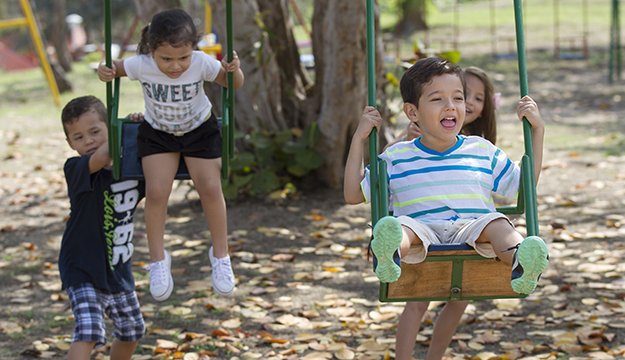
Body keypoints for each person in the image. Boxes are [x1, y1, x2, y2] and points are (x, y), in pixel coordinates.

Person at [343, 57, 549, 360]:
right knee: (400, 228)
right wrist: (359, 139)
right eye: (437, 99)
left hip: (471, 228)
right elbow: (352, 194)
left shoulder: (481, 150)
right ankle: (389, 254)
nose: (451, 106)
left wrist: (538, 132)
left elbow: (523, 187)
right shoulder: (396, 157)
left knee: (499, 223)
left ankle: (522, 260)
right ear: (412, 112)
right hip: (421, 229)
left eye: (458, 98)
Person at [98, 8, 244, 300]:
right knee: (156, 192)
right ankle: (157, 260)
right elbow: (113, 68)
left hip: (199, 132)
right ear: (151, 51)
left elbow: (233, 85)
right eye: (166, 59)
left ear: (194, 50)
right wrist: (103, 69)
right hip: (159, 136)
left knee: (211, 188)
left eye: (183, 58)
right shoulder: (141, 64)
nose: (176, 66)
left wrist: (234, 70)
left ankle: (221, 257)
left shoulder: (201, 62)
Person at [59, 96, 145, 360]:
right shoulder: (77, 168)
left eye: (95, 131)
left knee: (132, 331)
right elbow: (105, 154)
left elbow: (162, 169)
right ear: (70, 143)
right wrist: (126, 130)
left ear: (108, 128)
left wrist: (142, 129)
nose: (88, 141)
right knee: (89, 330)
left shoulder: (131, 168)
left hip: (117, 268)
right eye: (78, 137)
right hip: (82, 265)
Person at [387, 65, 500, 149]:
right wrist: (406, 139)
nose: (469, 101)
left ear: (484, 109)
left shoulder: (479, 147)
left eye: (478, 99)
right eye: (464, 95)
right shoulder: (423, 125)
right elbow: (386, 154)